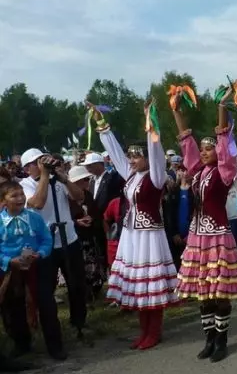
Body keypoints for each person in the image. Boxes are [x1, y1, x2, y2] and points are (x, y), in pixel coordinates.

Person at [92, 102, 179, 350]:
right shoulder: (131, 175)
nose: (131, 160)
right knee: (138, 285)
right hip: (131, 236)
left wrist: (150, 124)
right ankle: (144, 331)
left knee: (151, 284)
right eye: (131, 156)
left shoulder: (156, 176)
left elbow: (155, 152)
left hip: (150, 235)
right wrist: (102, 127)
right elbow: (116, 153)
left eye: (136, 156)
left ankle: (155, 331)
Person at [172, 90, 237, 363]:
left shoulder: (224, 172)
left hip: (217, 236)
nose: (204, 153)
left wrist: (221, 107)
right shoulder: (198, 172)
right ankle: (209, 339)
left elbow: (225, 139)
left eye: (209, 149)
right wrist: (177, 111)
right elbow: (186, 144)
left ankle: (222, 341)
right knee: (203, 291)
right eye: (202, 150)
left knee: (219, 290)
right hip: (198, 236)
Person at [19, 148, 88, 342]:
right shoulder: (26, 184)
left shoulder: (57, 181)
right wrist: (44, 176)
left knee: (77, 286)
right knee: (46, 293)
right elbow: (37, 203)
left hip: (69, 240)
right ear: (26, 168)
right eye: (35, 163)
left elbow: (79, 196)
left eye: (42, 160)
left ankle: (79, 322)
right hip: (45, 246)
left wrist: (63, 178)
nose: (40, 165)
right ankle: (52, 334)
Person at [0, 180, 65, 361]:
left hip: (36, 267)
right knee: (13, 308)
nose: (20, 198)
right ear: (4, 201)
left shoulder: (33, 217)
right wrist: (8, 260)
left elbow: (46, 239)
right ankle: (22, 343)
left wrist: (41, 253)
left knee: (46, 305)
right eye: (14, 195)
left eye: (21, 194)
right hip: (10, 270)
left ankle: (55, 346)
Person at [66, 165, 105, 301]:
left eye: (88, 180)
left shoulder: (88, 195)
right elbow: (66, 218)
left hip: (89, 236)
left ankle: (94, 288)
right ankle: (83, 293)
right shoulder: (66, 199)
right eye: (84, 180)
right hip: (75, 237)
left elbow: (96, 212)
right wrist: (77, 222)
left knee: (92, 264)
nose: (87, 183)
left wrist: (92, 218)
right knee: (78, 267)